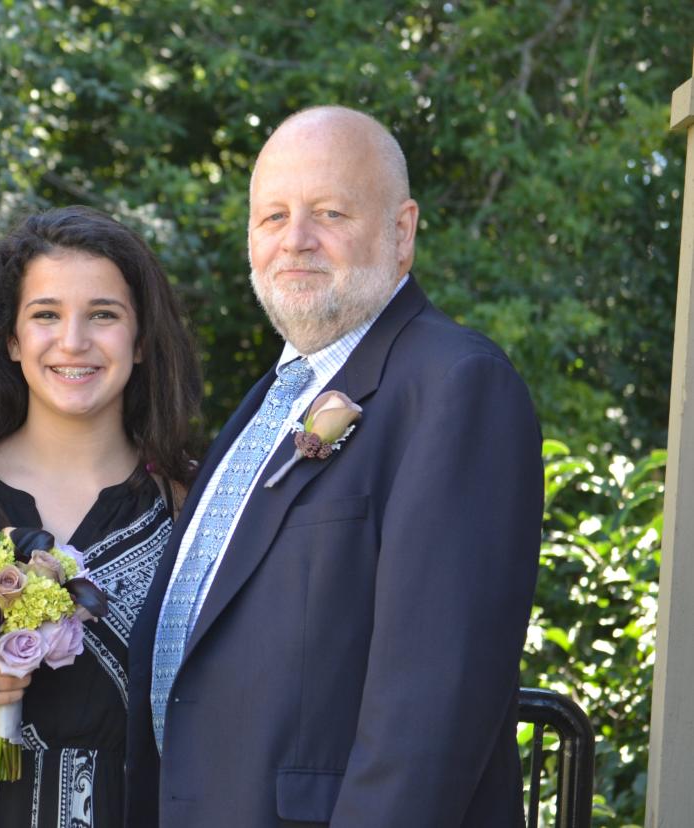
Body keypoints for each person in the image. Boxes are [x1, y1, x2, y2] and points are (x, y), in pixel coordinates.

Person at [125, 106, 544, 827]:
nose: (296, 240)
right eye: (273, 216)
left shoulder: (456, 386)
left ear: (402, 232)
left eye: (330, 212)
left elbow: (432, 711)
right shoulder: (268, 403)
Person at [0, 205, 202, 827]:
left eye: (103, 315)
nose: (74, 340)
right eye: (46, 315)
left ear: (140, 343)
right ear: (12, 339)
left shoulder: (186, 506)